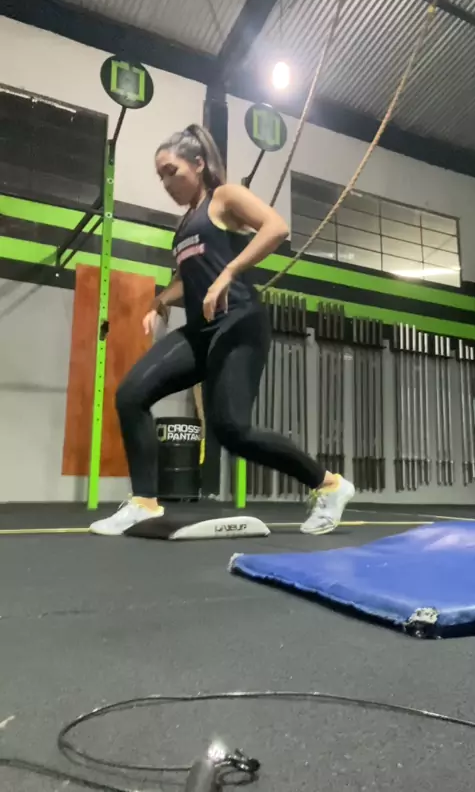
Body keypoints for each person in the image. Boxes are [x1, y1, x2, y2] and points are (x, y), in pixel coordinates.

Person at [89, 124, 355, 536]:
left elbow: (276, 227)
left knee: (232, 431)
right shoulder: (184, 224)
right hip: (201, 330)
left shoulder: (225, 197)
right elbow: (188, 278)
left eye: (172, 171)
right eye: (160, 176)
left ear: (198, 164)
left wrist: (229, 272)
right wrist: (160, 301)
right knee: (131, 395)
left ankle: (330, 485)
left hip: (239, 322)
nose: (166, 182)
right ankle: (144, 503)